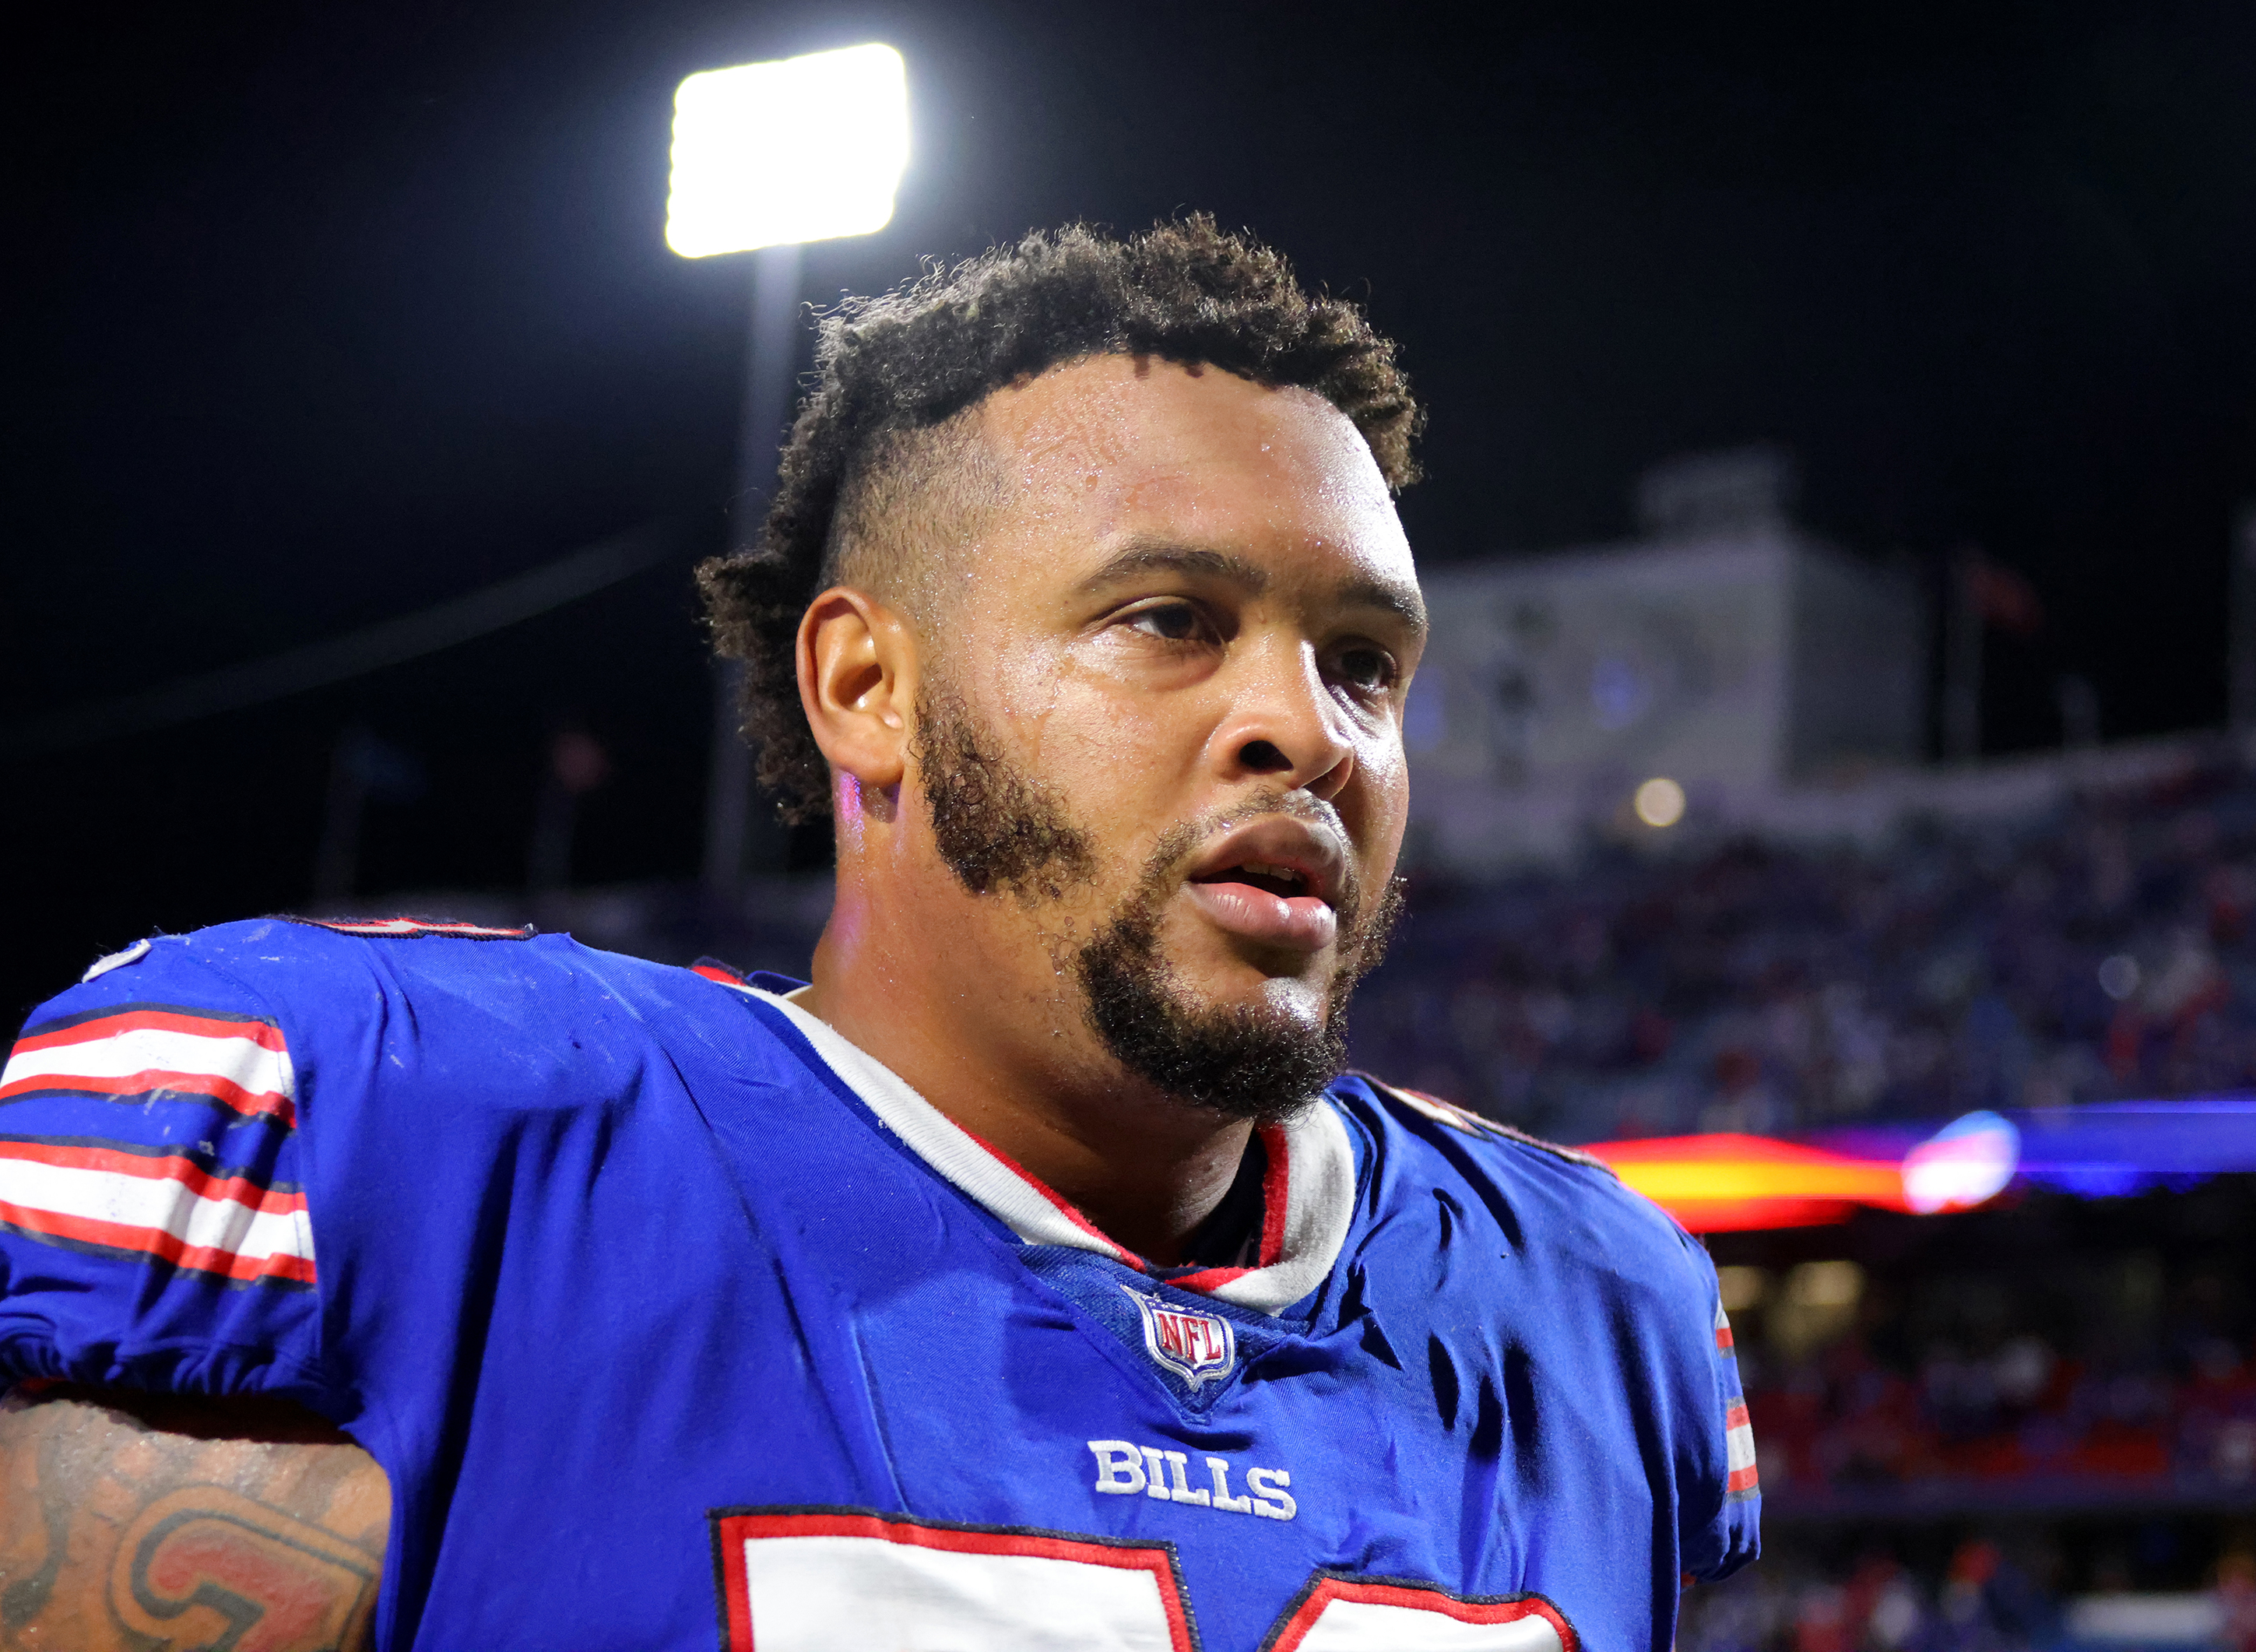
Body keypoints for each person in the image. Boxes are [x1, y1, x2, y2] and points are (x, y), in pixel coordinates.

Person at [0, 217, 1757, 1649]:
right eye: (1169, 619)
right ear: (865, 684)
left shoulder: (1594, 1314)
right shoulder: (418, 1153)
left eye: (1364, 661)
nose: (1307, 729)